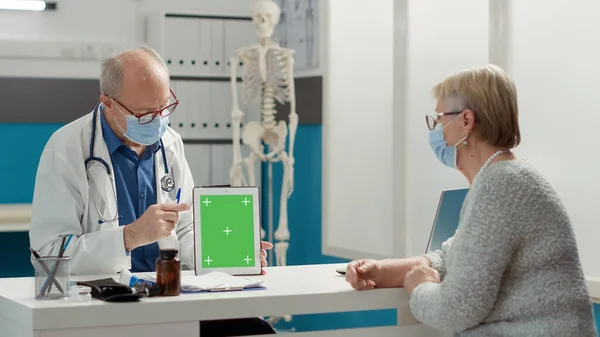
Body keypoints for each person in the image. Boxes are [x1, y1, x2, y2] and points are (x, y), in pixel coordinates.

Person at [29, 46, 276, 336]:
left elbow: (185, 229)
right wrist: (130, 236)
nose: (158, 120)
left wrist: (225, 253)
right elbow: (49, 255)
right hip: (105, 306)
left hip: (171, 298)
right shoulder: (67, 148)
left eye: (164, 107)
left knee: (255, 330)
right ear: (108, 103)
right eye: (145, 113)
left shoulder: (170, 143)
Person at [344, 64, 597, 336]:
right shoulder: (505, 178)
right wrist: (380, 270)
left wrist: (420, 288)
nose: (435, 129)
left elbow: (456, 309)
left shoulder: (501, 185)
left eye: (438, 119)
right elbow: (450, 257)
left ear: (465, 121)